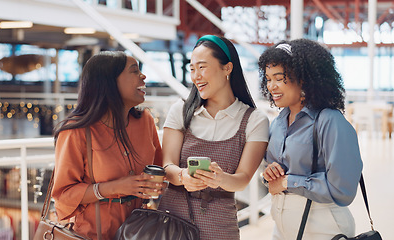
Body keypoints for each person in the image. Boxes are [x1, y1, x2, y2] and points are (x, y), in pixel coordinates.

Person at [158, 35, 269, 240]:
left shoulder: (255, 120)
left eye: (202, 67)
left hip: (220, 228)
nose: (195, 76)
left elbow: (242, 179)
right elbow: (167, 167)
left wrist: (220, 179)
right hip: (172, 225)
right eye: (192, 69)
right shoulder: (180, 111)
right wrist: (183, 176)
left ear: (227, 68)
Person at [51, 51, 163, 239]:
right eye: (134, 71)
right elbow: (63, 196)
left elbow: (160, 171)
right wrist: (114, 188)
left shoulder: (146, 121)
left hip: (140, 233)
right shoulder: (76, 131)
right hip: (92, 235)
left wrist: (157, 185)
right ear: (109, 82)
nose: (143, 76)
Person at [258, 39, 363, 240]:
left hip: (323, 228)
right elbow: (275, 177)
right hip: (282, 227)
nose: (271, 86)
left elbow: (343, 190)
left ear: (304, 79)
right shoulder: (278, 123)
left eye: (279, 78)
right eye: (268, 79)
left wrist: (288, 181)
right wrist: (270, 173)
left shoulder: (330, 121)